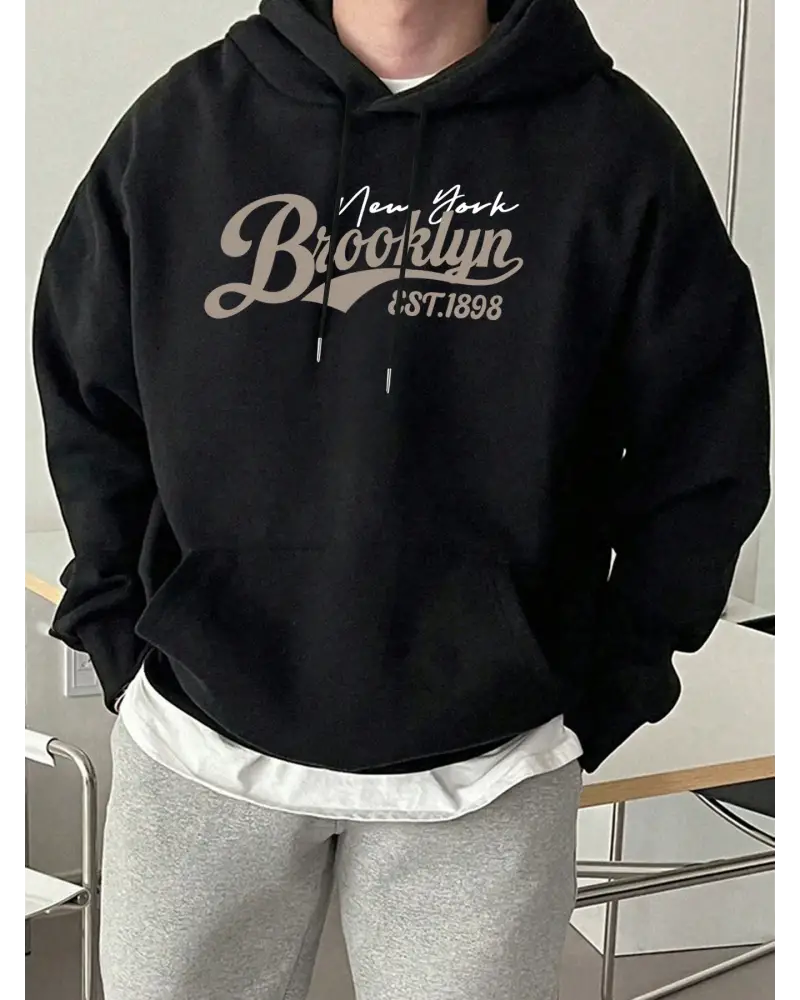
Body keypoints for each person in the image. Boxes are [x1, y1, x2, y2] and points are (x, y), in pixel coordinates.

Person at [32, 0, 771, 997]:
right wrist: (118, 630)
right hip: (197, 746)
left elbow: (705, 443)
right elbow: (87, 394)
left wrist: (610, 685)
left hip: (490, 770)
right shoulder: (182, 127)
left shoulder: (615, 148)